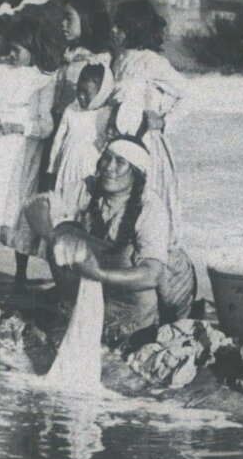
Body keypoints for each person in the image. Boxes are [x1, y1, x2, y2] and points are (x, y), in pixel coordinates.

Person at [55, 138, 197, 349]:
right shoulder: (87, 188)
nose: (109, 167)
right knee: (64, 232)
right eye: (106, 159)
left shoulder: (150, 206)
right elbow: (38, 205)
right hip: (112, 274)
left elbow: (152, 274)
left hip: (164, 284)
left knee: (138, 336)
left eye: (120, 162)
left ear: (136, 173)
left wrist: (98, 274)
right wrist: (55, 235)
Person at [0, 18, 64, 284]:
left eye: (16, 50)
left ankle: (20, 272)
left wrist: (20, 127)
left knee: (18, 210)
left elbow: (45, 125)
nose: (10, 54)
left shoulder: (42, 81)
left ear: (31, 49)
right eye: (9, 48)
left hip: (21, 154)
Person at [109, 0, 186, 243]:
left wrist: (164, 121)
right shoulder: (119, 59)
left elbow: (187, 92)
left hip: (146, 143)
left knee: (145, 200)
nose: (114, 31)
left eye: (120, 27)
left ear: (134, 28)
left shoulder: (152, 62)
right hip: (119, 142)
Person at [46, 60, 114, 228]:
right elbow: (58, 141)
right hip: (66, 171)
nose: (81, 96)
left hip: (89, 174)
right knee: (63, 213)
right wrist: (51, 169)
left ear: (102, 92)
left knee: (85, 214)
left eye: (87, 92)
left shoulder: (106, 115)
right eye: (79, 91)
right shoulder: (71, 110)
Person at [52, 0, 113, 121]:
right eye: (63, 18)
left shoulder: (98, 61)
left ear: (87, 19)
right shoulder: (68, 55)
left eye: (69, 18)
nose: (63, 23)